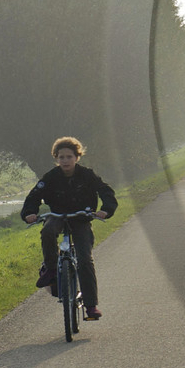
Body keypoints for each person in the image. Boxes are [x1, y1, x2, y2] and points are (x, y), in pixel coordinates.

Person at [21, 136, 117, 319]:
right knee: (47, 231)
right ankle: (50, 269)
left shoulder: (87, 175)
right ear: (56, 158)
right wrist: (29, 213)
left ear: (77, 157)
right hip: (58, 216)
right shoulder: (50, 177)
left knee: (85, 260)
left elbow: (105, 191)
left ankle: (90, 306)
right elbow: (33, 196)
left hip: (81, 217)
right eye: (61, 157)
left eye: (69, 157)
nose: (65, 160)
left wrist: (106, 210)